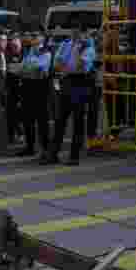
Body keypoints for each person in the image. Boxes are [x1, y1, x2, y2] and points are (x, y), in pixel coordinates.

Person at [43, 23, 96, 166]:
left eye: (78, 31)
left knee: (78, 122)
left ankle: (74, 156)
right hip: (66, 83)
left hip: (80, 85)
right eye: (73, 30)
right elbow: (57, 64)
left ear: (85, 33)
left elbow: (81, 68)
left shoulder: (89, 48)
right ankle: (53, 154)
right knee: (60, 120)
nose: (75, 34)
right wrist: (68, 68)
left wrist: (78, 51)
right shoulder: (65, 44)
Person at [18, 32, 52, 158]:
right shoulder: (29, 51)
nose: (33, 38)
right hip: (27, 87)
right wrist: (30, 69)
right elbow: (21, 69)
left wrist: (29, 68)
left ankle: (45, 148)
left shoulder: (46, 51)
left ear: (42, 38)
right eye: (32, 36)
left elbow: (41, 69)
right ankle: (30, 147)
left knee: (42, 120)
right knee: (27, 119)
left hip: (40, 88)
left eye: (36, 36)